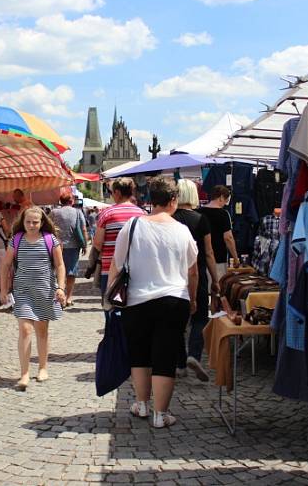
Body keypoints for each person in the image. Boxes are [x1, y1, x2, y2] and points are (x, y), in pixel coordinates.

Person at [108, 177, 199, 428]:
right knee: (165, 355)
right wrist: (192, 299)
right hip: (173, 299)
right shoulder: (182, 230)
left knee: (139, 353)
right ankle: (161, 414)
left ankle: (142, 405)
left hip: (137, 299)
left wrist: (110, 298)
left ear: (150, 200)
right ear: (173, 200)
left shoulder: (133, 225)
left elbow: (117, 263)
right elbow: (193, 271)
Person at [0, 206, 67, 391]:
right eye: (28, 222)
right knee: (25, 330)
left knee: (42, 330)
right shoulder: (16, 240)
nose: (31, 225)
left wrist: (61, 287)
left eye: (35, 222)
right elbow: (5, 265)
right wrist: (3, 289)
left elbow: (60, 265)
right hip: (23, 291)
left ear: (42, 222)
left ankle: (43, 367)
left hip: (45, 290)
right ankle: (24, 373)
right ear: (23, 222)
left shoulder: (50, 240)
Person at [172, 179, 220, 381]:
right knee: (200, 317)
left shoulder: (170, 219)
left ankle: (180, 364)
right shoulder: (201, 220)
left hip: (173, 276)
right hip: (197, 273)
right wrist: (215, 278)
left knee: (176, 323)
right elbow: (208, 252)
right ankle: (194, 354)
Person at [92, 178, 145, 296]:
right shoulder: (143, 214)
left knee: (111, 305)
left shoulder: (107, 214)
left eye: (111, 192)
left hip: (110, 268)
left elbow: (97, 243)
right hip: (137, 268)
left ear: (117, 192)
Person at [49, 192, 88, 307]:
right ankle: (68, 298)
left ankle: (58, 296)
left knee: (57, 271)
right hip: (73, 246)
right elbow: (83, 229)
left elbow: (48, 227)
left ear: (61, 201)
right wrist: (84, 244)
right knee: (71, 273)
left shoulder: (54, 212)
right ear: (71, 201)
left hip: (56, 245)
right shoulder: (77, 212)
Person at [200, 185, 240, 282]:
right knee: (217, 290)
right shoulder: (223, 214)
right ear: (221, 197)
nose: (226, 203)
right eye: (226, 200)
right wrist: (235, 257)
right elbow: (228, 238)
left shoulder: (199, 212)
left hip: (201, 258)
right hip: (219, 258)